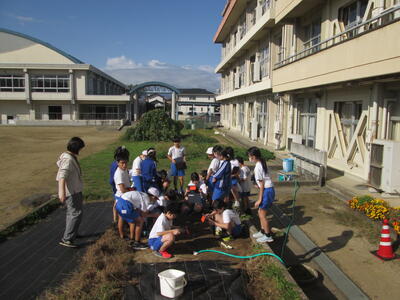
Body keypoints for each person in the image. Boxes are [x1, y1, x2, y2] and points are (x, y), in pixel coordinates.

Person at [57, 137, 85, 248]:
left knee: (73, 214)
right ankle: (67, 239)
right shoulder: (68, 159)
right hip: (72, 192)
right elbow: (62, 176)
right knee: (75, 214)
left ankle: (72, 233)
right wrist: (61, 192)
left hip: (75, 189)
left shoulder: (68, 157)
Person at [248, 147, 275, 243]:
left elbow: (262, 184)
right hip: (268, 189)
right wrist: (258, 185)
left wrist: (259, 199)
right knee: (260, 212)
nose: (249, 158)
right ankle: (262, 231)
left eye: (249, 156)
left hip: (267, 190)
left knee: (262, 215)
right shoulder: (261, 163)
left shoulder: (258, 166)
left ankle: (268, 236)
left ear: (254, 157)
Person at [110, 146, 130, 222]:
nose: (124, 164)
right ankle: (116, 219)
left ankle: (116, 219)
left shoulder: (119, 163)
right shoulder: (116, 167)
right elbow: (117, 179)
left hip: (117, 183)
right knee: (118, 201)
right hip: (116, 184)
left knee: (117, 202)